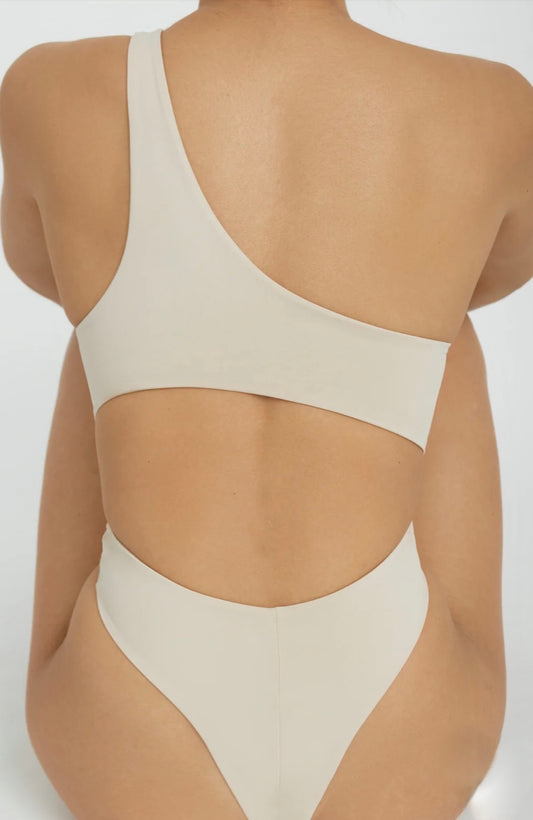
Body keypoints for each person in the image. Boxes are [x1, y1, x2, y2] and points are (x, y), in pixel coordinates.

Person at [1, 1, 532, 818]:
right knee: (441, 325)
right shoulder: (494, 106)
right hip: (404, 710)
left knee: (103, 316)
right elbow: (498, 266)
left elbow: (43, 265)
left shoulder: (49, 87)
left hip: (128, 717)